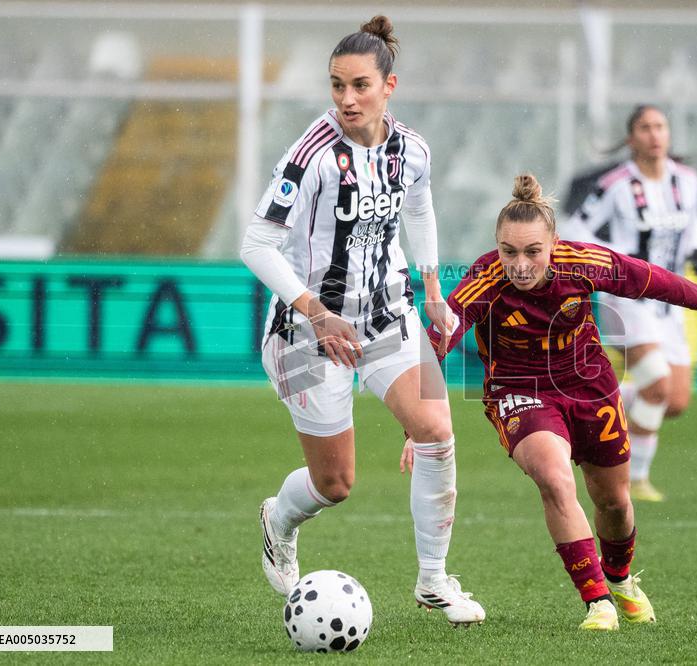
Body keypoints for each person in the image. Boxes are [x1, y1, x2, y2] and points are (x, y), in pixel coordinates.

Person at [405, 173, 697, 631]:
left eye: (532, 252)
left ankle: (621, 579)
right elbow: (439, 336)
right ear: (497, 247)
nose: (520, 264)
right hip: (519, 390)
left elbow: (650, 280)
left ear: (553, 244)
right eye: (509, 252)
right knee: (553, 476)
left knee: (614, 504)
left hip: (590, 388)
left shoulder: (582, 262)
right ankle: (597, 602)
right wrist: (416, 424)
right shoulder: (484, 278)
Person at [239, 15, 484, 626]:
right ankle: (280, 517)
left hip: (388, 315)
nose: (347, 98)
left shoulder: (413, 150)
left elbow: (419, 206)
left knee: (436, 428)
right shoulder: (310, 157)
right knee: (336, 483)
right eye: (336, 85)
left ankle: (433, 581)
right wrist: (318, 315)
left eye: (359, 86)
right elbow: (255, 246)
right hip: (307, 332)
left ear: (388, 86)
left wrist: (431, 287)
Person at [564, 105, 697, 502]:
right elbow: (576, 228)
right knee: (657, 386)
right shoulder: (615, 184)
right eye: (645, 128)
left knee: (673, 401)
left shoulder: (687, 181)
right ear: (631, 139)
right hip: (628, 299)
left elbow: (693, 221)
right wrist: (617, 259)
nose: (655, 134)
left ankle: (594, 405)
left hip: (669, 304)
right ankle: (637, 480)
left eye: (660, 126)